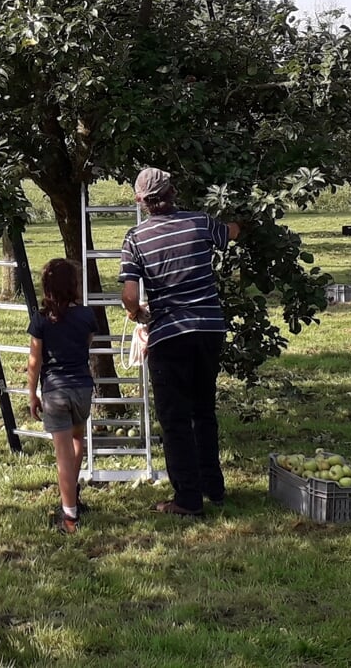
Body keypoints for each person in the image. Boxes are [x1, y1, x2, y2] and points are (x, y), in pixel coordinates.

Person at [119, 167, 242, 517]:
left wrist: (136, 314)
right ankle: (213, 487)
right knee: (203, 410)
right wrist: (243, 220)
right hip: (208, 329)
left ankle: (187, 499)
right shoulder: (201, 223)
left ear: (141, 201)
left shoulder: (136, 238)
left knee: (174, 419)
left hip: (169, 335)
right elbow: (230, 232)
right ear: (173, 193)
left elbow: (129, 294)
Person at [26, 257, 99, 535]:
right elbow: (86, 347)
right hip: (82, 389)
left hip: (55, 391)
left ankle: (69, 517)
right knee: (78, 439)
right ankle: (74, 497)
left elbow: (34, 362)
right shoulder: (87, 316)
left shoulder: (41, 320)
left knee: (62, 457)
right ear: (73, 285)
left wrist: (32, 394)